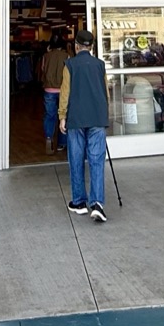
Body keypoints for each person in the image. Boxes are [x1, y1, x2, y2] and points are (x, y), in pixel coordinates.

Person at [58, 28, 109, 223]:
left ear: (76, 46)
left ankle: (79, 202)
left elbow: (65, 92)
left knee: (76, 159)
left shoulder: (70, 65)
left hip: (76, 118)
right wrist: (104, 114)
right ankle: (97, 204)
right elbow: (105, 92)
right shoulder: (100, 65)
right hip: (97, 117)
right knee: (97, 160)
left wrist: (62, 116)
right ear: (92, 47)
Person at [39, 31, 69, 154]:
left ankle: (49, 138)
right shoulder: (66, 56)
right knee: (63, 116)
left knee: (49, 115)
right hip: (63, 89)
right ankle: (62, 143)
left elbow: (43, 69)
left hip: (49, 89)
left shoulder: (45, 56)